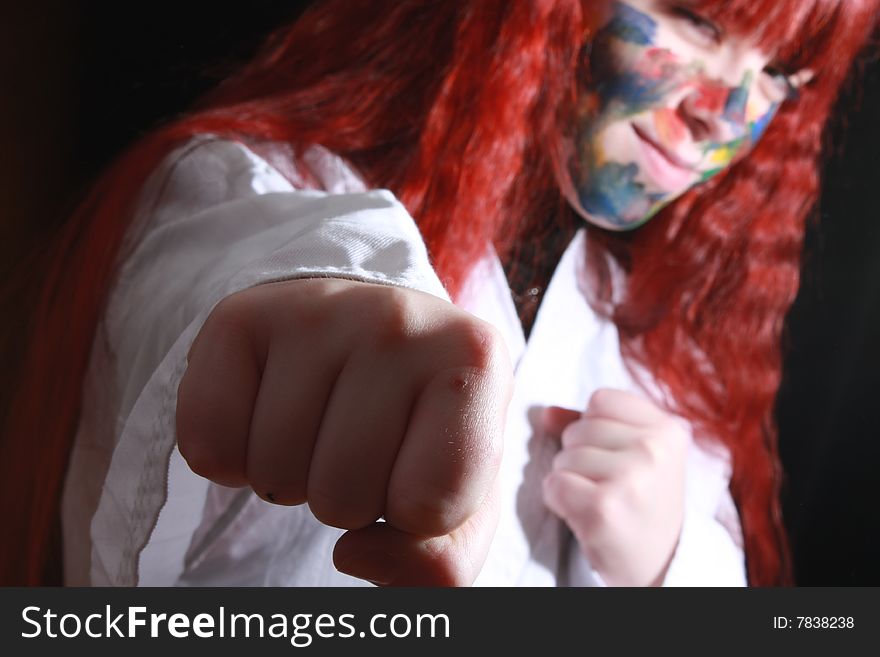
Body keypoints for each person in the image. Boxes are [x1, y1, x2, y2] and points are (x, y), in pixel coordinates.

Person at [2, 0, 877, 587]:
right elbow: (218, 271)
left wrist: (674, 560)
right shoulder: (257, 190)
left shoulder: (653, 336)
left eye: (779, 74)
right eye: (693, 17)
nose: (728, 111)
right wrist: (315, 299)